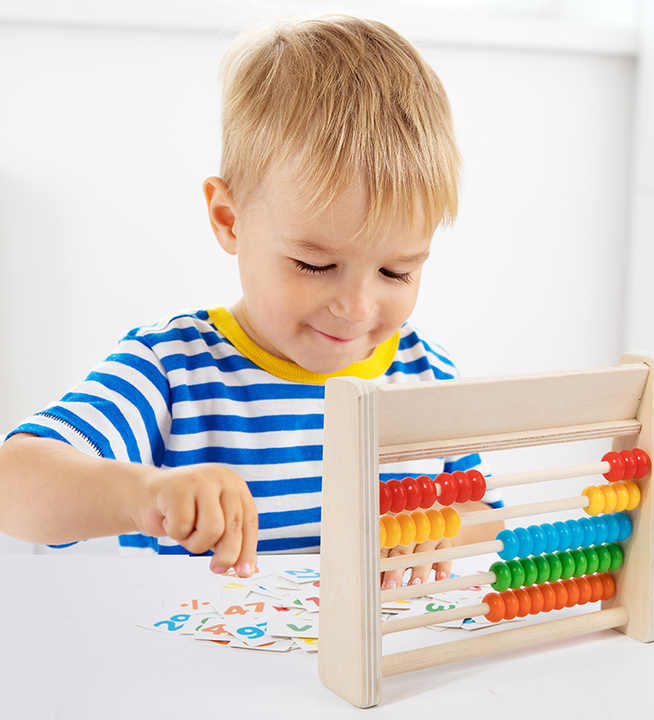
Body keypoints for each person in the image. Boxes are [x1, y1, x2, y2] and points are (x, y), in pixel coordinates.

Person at [0, 16, 503, 590]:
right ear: (230, 220)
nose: (356, 306)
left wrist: (443, 527)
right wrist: (144, 495)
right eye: (315, 265)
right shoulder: (173, 369)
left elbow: (485, 512)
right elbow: (15, 484)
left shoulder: (425, 376)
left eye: (397, 271)